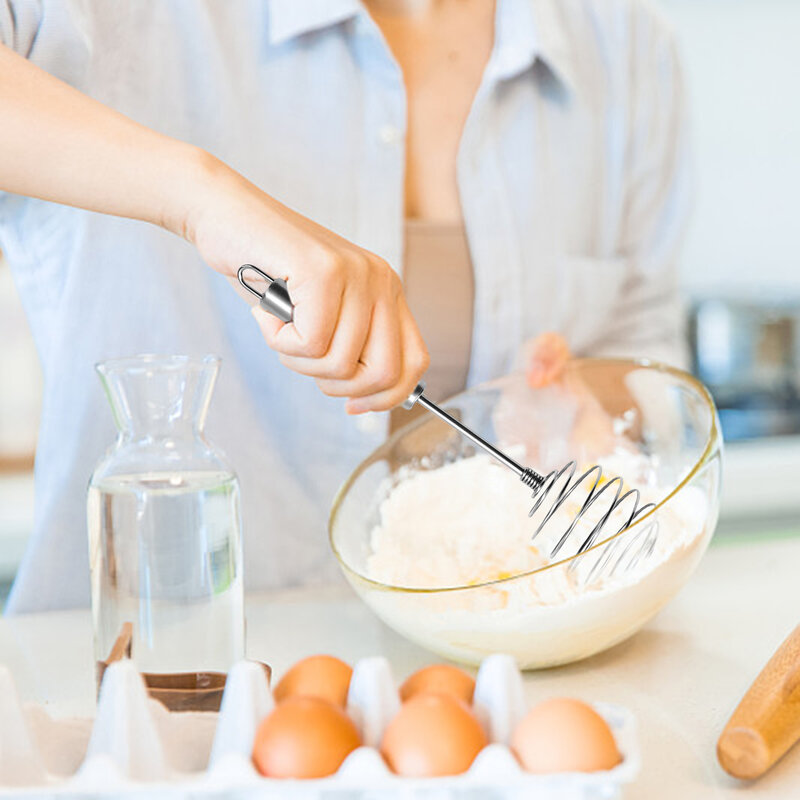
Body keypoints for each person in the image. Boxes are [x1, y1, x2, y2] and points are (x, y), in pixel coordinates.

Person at [0, 0, 689, 613]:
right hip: (138, 672)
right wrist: (199, 196)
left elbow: (641, 341)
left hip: (483, 686)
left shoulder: (626, 47)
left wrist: (589, 410)